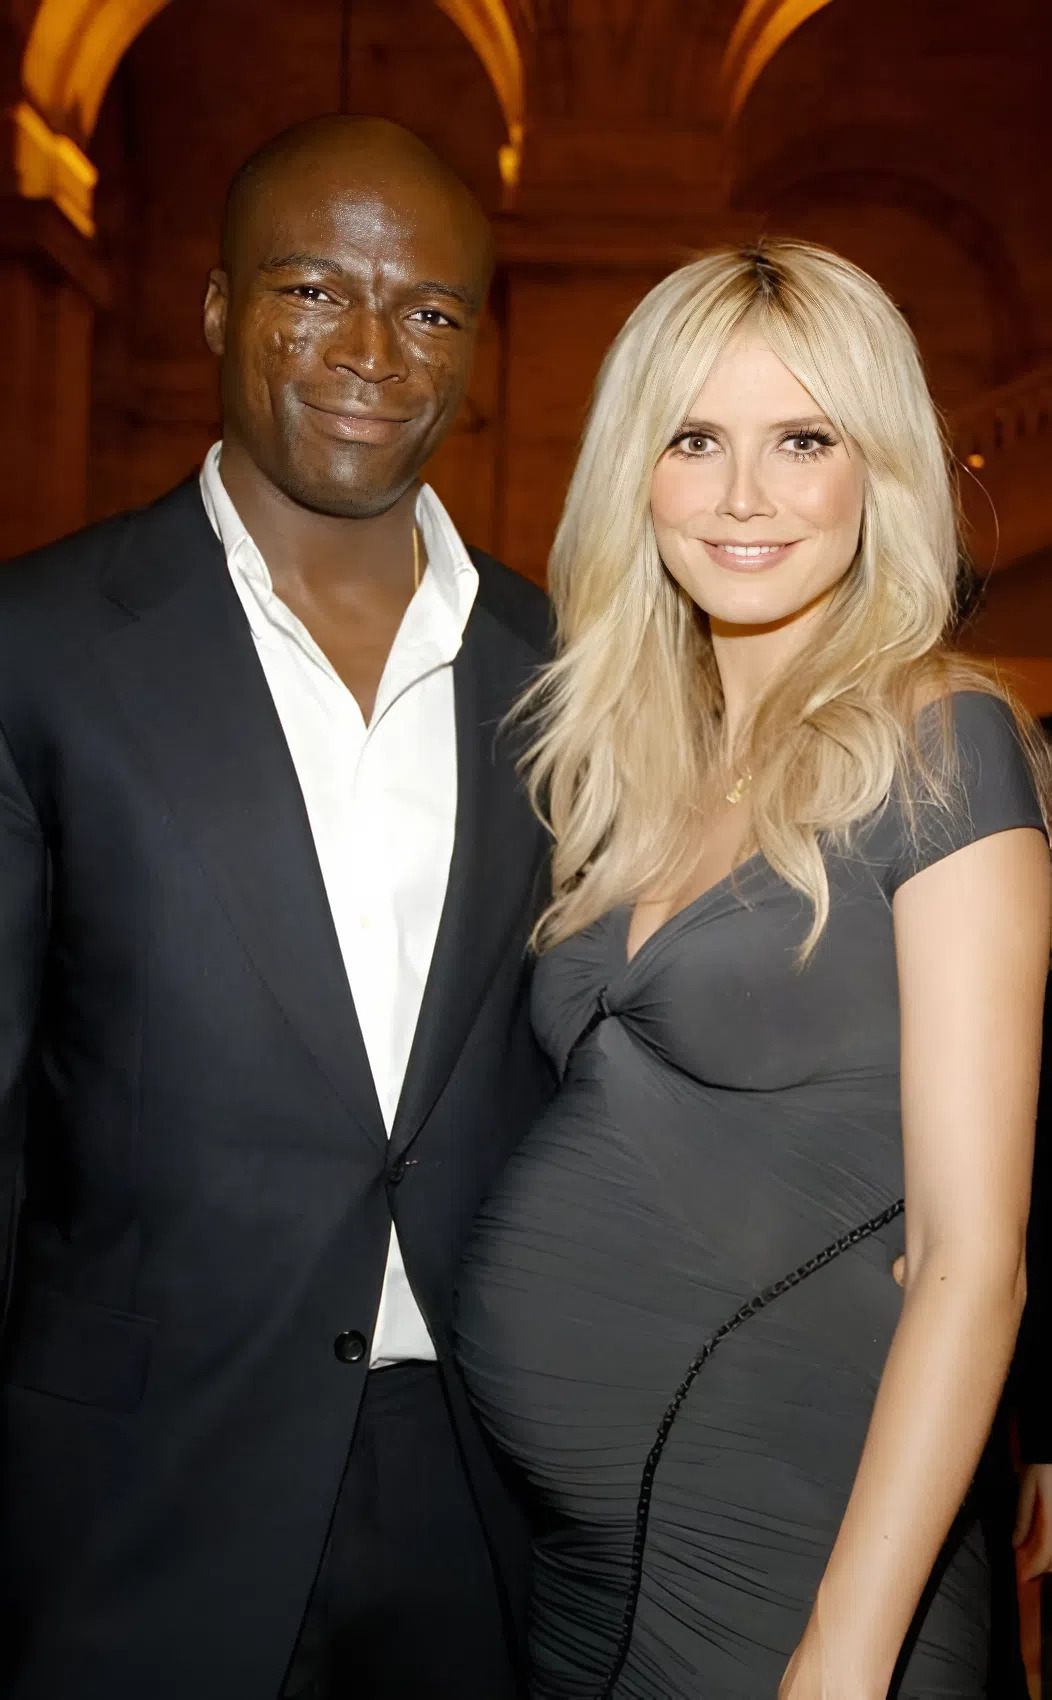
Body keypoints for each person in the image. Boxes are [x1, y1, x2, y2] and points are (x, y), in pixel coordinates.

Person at [0, 116, 552, 1700]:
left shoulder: (562, 666)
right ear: (218, 308)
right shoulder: (40, 649)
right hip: (135, 1489)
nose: (373, 349)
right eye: (314, 290)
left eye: (430, 308)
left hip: (483, 1490)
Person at [455, 240, 1051, 1698]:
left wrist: (844, 1655)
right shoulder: (628, 772)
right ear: (636, 473)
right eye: (694, 440)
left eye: (802, 441)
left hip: (810, 1568)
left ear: (879, 471)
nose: (741, 496)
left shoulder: (942, 748)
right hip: (584, 1578)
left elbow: (972, 1262)